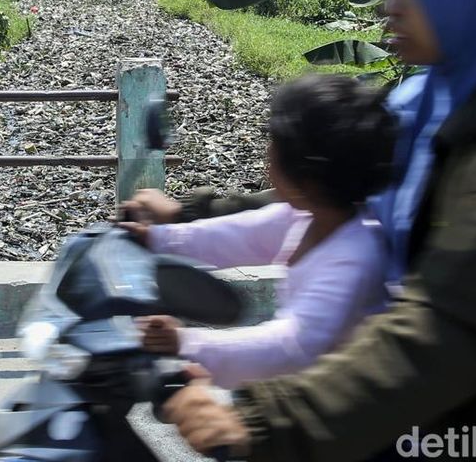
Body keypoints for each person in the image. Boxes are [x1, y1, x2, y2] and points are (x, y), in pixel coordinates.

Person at [158, 0, 476, 460]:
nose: (389, 5)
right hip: (396, 394)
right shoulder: (423, 98)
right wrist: (186, 214)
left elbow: (446, 330)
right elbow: (328, 186)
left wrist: (263, 423)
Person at [121, 75, 395, 390]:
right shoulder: (309, 216)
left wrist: (184, 342)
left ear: (306, 175)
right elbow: (237, 235)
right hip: (300, 395)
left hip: (334, 410)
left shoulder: (354, 257)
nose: (268, 152)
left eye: (276, 144)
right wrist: (153, 238)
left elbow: (290, 347)